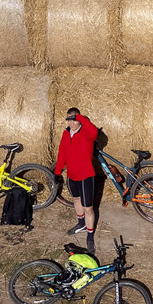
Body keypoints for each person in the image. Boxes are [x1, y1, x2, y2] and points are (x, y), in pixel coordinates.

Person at [54, 108, 99, 255]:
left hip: (86, 176)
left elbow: (95, 131)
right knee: (76, 200)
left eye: (74, 119)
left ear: (79, 119)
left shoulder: (87, 132)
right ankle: (81, 224)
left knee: (88, 208)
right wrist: (58, 171)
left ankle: (90, 237)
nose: (72, 123)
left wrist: (79, 117)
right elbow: (62, 152)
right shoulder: (66, 133)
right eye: (69, 119)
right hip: (71, 176)